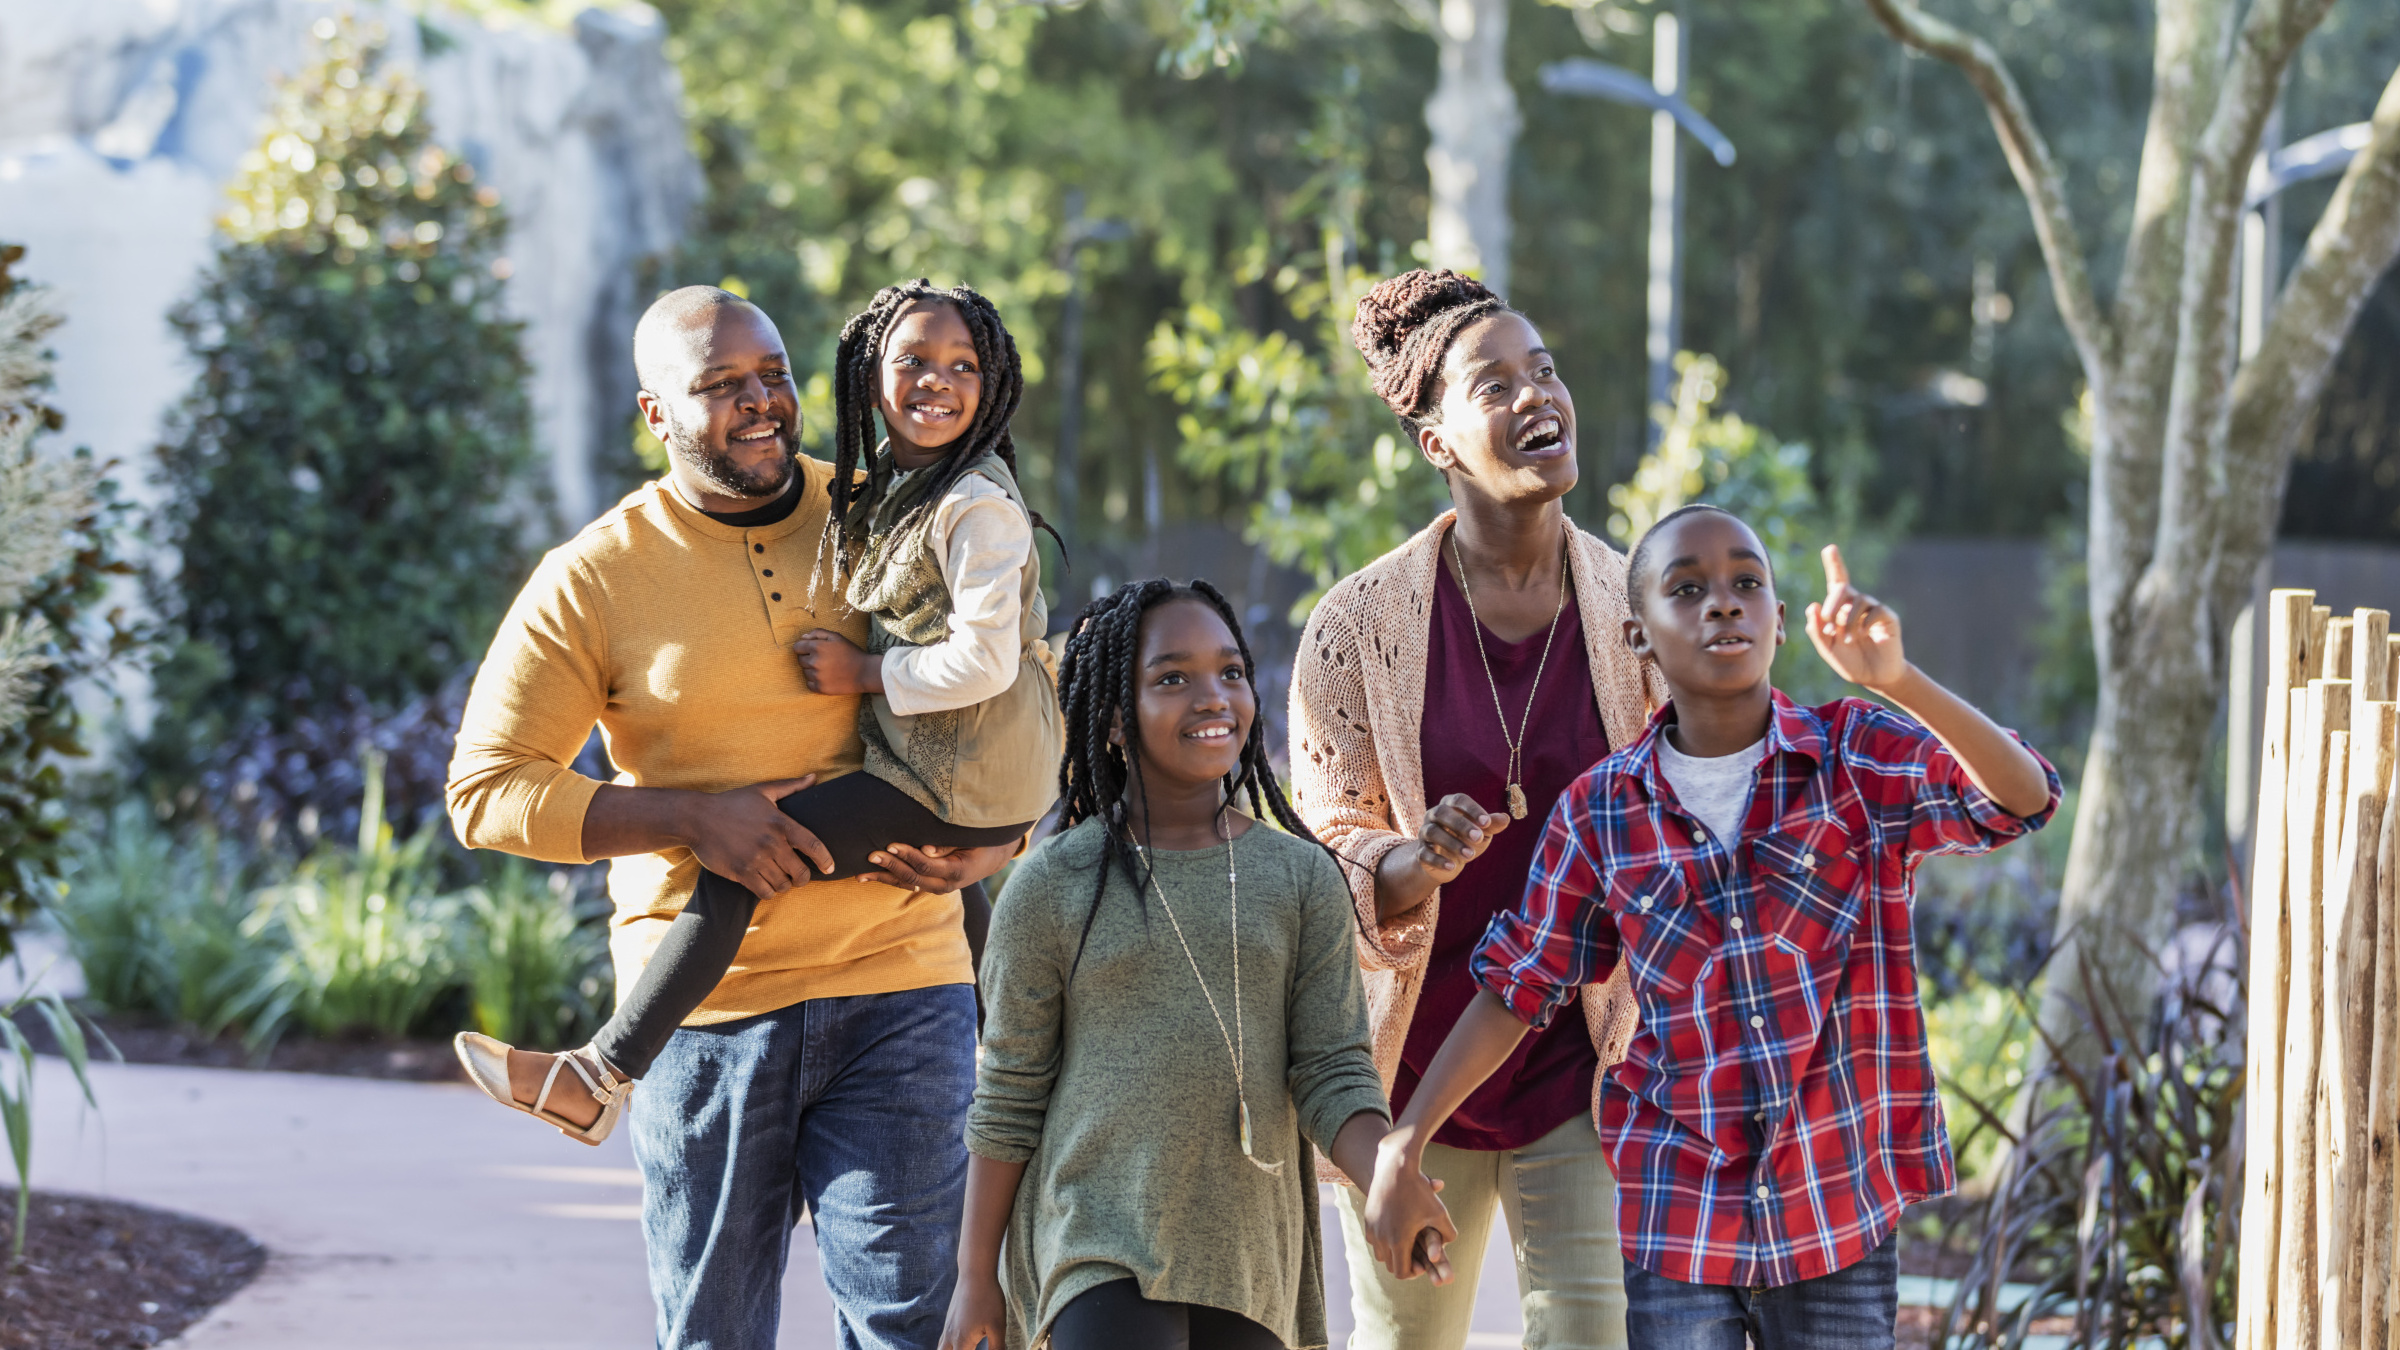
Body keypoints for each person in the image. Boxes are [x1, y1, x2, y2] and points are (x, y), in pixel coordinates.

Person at [444, 285, 1015, 1350]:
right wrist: (694, 820)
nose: (759, 404)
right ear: (656, 415)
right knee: (716, 1331)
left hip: (904, 984)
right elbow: (487, 791)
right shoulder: (594, 579)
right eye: (719, 386)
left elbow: (1004, 700)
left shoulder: (888, 516)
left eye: (772, 377)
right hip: (706, 1021)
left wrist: (1001, 835)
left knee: (919, 1324)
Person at [1364, 506, 2062, 1350]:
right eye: (1687, 589)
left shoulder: (1855, 759)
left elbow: (2021, 800)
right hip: (1678, 1217)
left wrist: (1898, 680)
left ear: (1775, 615)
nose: (1723, 604)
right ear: (1637, 637)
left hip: (1835, 1208)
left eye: (1746, 584)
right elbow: (1520, 985)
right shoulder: (1600, 813)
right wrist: (1406, 1141)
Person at [1287, 268, 1661, 1350]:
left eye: (1543, 369)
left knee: (1594, 1336)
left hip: (1582, 1071)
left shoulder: (1640, 615)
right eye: (1494, 383)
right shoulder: (1356, 628)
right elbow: (1328, 848)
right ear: (1436, 441)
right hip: (1413, 1077)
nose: (1537, 393)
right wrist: (1414, 861)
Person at [939, 580, 1392, 1350]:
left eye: (1231, 673)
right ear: (1115, 718)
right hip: (1095, 1240)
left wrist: (1387, 1174)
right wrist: (975, 1277)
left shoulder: (1303, 879)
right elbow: (1010, 1095)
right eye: (1172, 678)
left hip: (1250, 1247)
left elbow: (1332, 1071)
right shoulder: (1053, 886)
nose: (1212, 697)